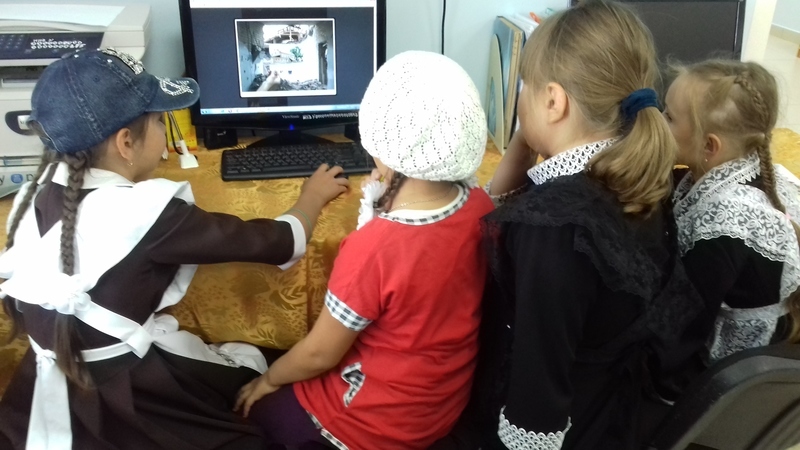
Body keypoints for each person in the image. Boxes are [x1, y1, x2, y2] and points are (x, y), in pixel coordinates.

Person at [0, 48, 348, 449]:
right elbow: (280, 241)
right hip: (133, 392)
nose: (164, 130)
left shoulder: (30, 198)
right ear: (126, 143)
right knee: (253, 388)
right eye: (159, 121)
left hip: (44, 383)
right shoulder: (149, 213)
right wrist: (311, 197)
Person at [234, 50, 494, 449]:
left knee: (252, 413)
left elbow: (319, 355)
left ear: (378, 140)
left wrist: (269, 379)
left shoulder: (373, 248)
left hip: (371, 425)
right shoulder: (479, 205)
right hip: (438, 408)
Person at [474, 1, 703, 449]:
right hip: (610, 407)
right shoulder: (638, 174)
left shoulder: (553, 229)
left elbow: (537, 399)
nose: (520, 96)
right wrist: (526, 141)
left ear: (553, 101)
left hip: (569, 428)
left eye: (524, 86)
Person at [662, 59, 800, 372]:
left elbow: (679, 337)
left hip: (726, 372)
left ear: (709, 147)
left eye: (668, 117)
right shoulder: (741, 169)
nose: (658, 121)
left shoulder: (722, 229)